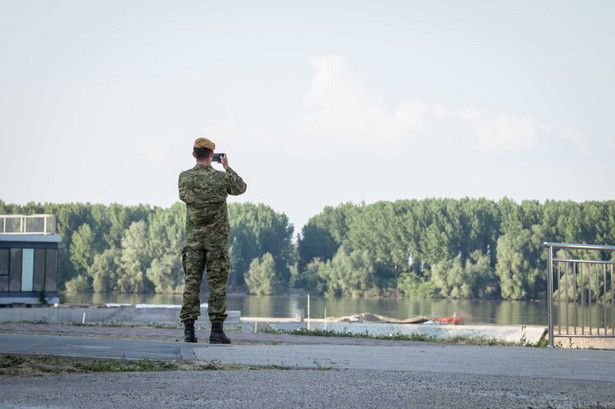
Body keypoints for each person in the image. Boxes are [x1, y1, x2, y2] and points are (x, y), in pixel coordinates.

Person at [178, 137, 247, 343]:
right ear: (212, 156)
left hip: (193, 242)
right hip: (216, 243)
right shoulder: (221, 179)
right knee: (217, 285)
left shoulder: (184, 178)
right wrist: (227, 167)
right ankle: (216, 331)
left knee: (191, 284)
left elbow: (184, 196)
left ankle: (189, 332)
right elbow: (240, 188)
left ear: (193, 155)